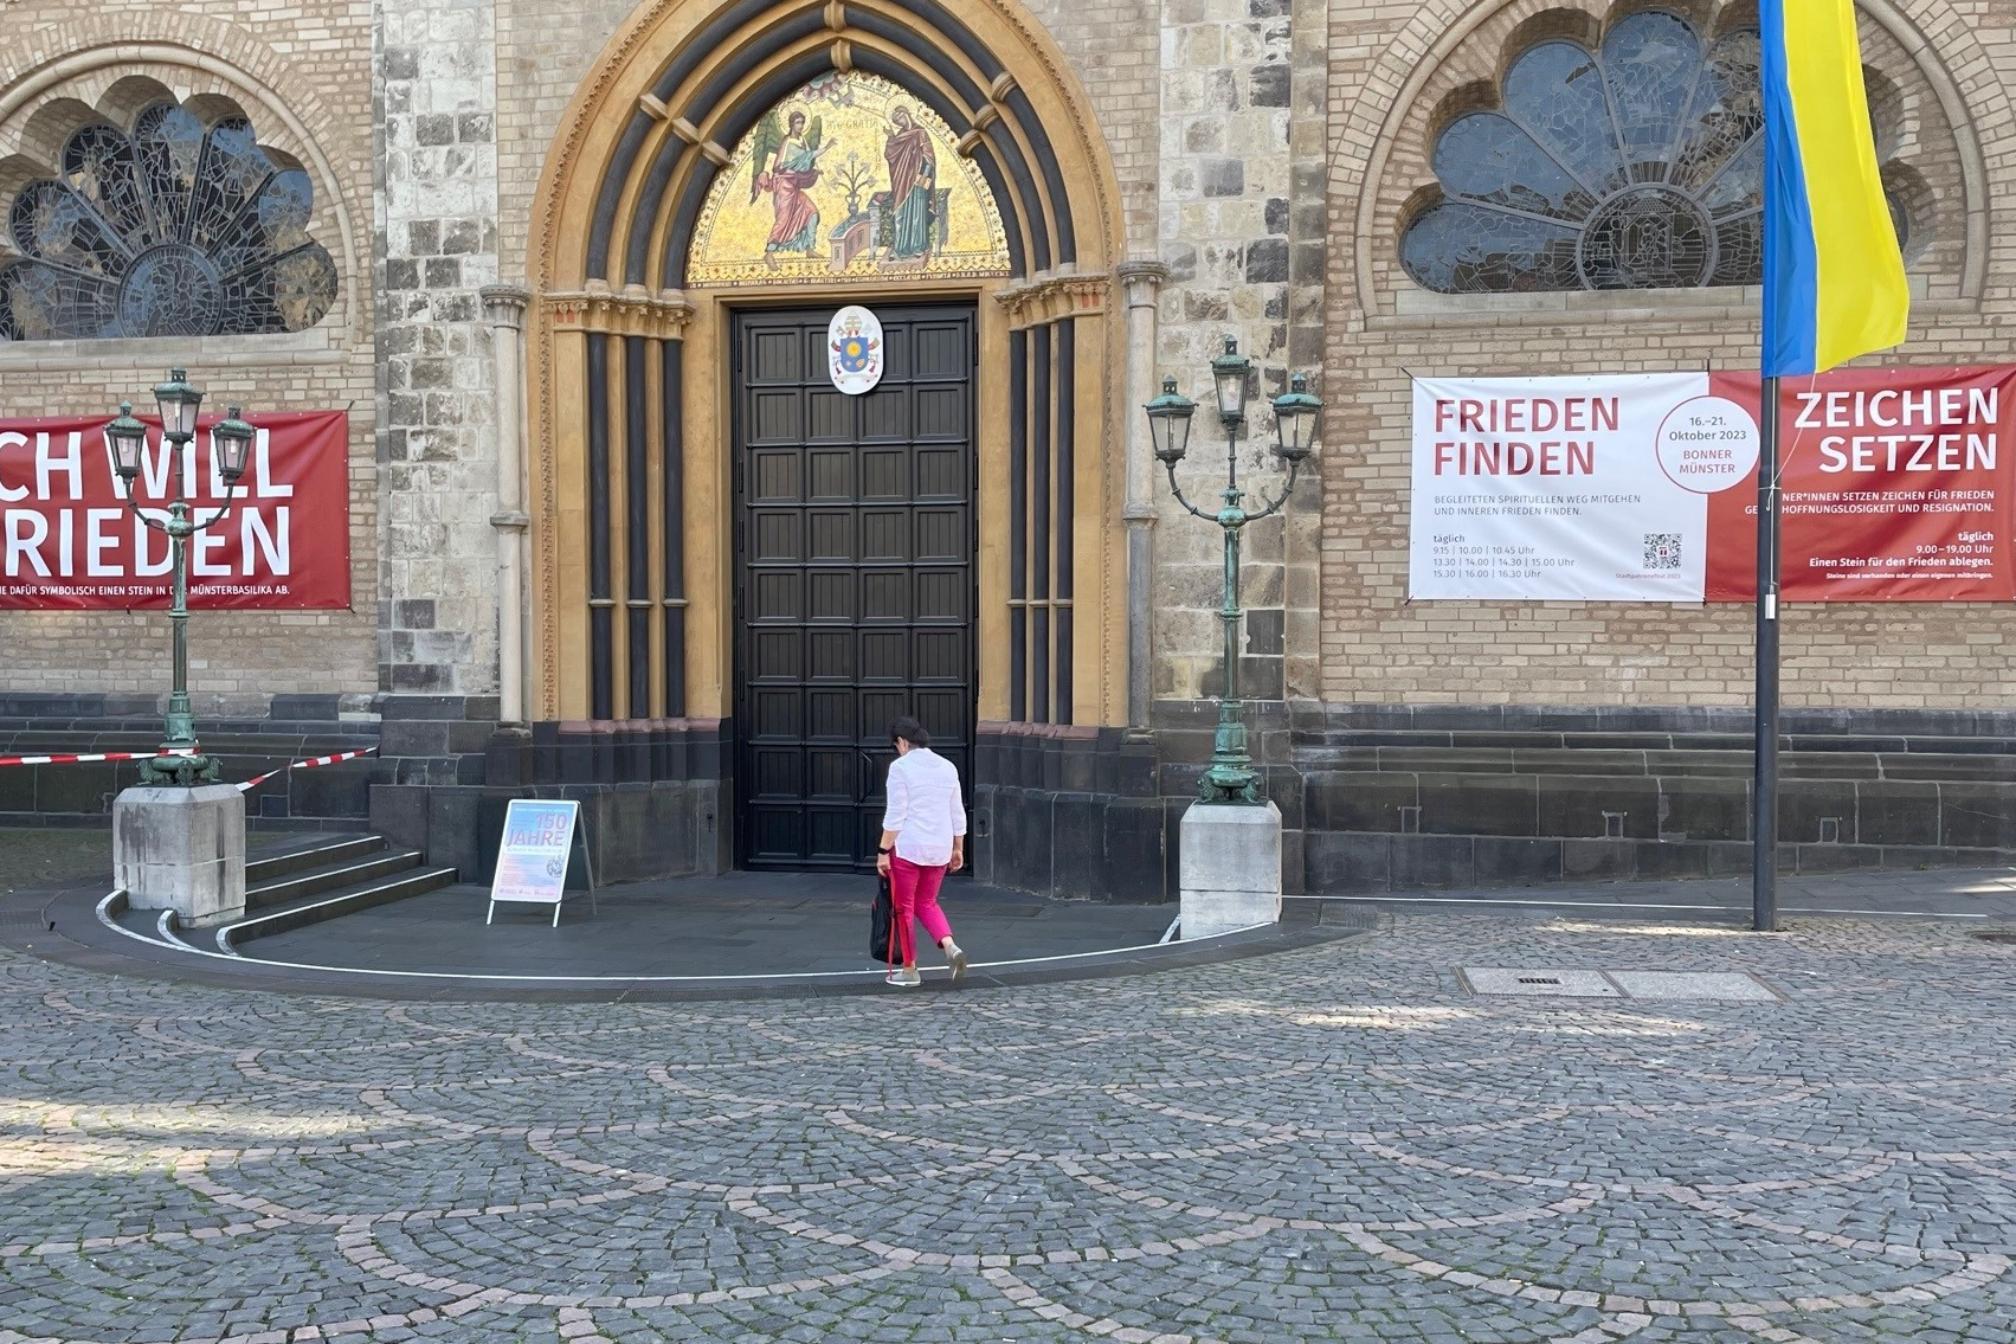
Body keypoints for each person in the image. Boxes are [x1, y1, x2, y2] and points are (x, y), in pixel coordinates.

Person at [876, 715, 968, 987]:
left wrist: (883, 850)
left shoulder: (900, 768)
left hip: (908, 847)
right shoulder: (947, 766)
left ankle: (910, 968)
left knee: (904, 908)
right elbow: (957, 811)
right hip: (939, 847)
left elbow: (896, 814)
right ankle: (950, 946)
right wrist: (958, 847)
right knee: (927, 902)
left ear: (902, 742)